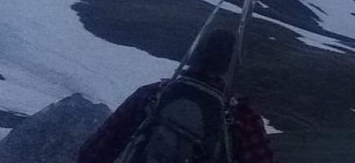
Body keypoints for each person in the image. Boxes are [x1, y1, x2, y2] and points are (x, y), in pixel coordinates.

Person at [78, 30, 275, 163]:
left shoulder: (152, 95)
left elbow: (93, 152)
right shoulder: (242, 118)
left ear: (195, 55)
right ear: (233, 69)